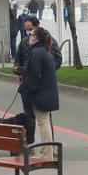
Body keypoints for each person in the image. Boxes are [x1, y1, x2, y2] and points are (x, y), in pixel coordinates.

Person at [19, 26, 60, 160]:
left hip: (40, 94)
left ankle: (46, 153)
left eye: (31, 34)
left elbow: (35, 75)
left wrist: (28, 90)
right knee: (45, 122)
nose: (29, 37)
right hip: (46, 93)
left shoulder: (37, 53)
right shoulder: (45, 51)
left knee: (43, 122)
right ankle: (48, 150)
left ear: (36, 37)